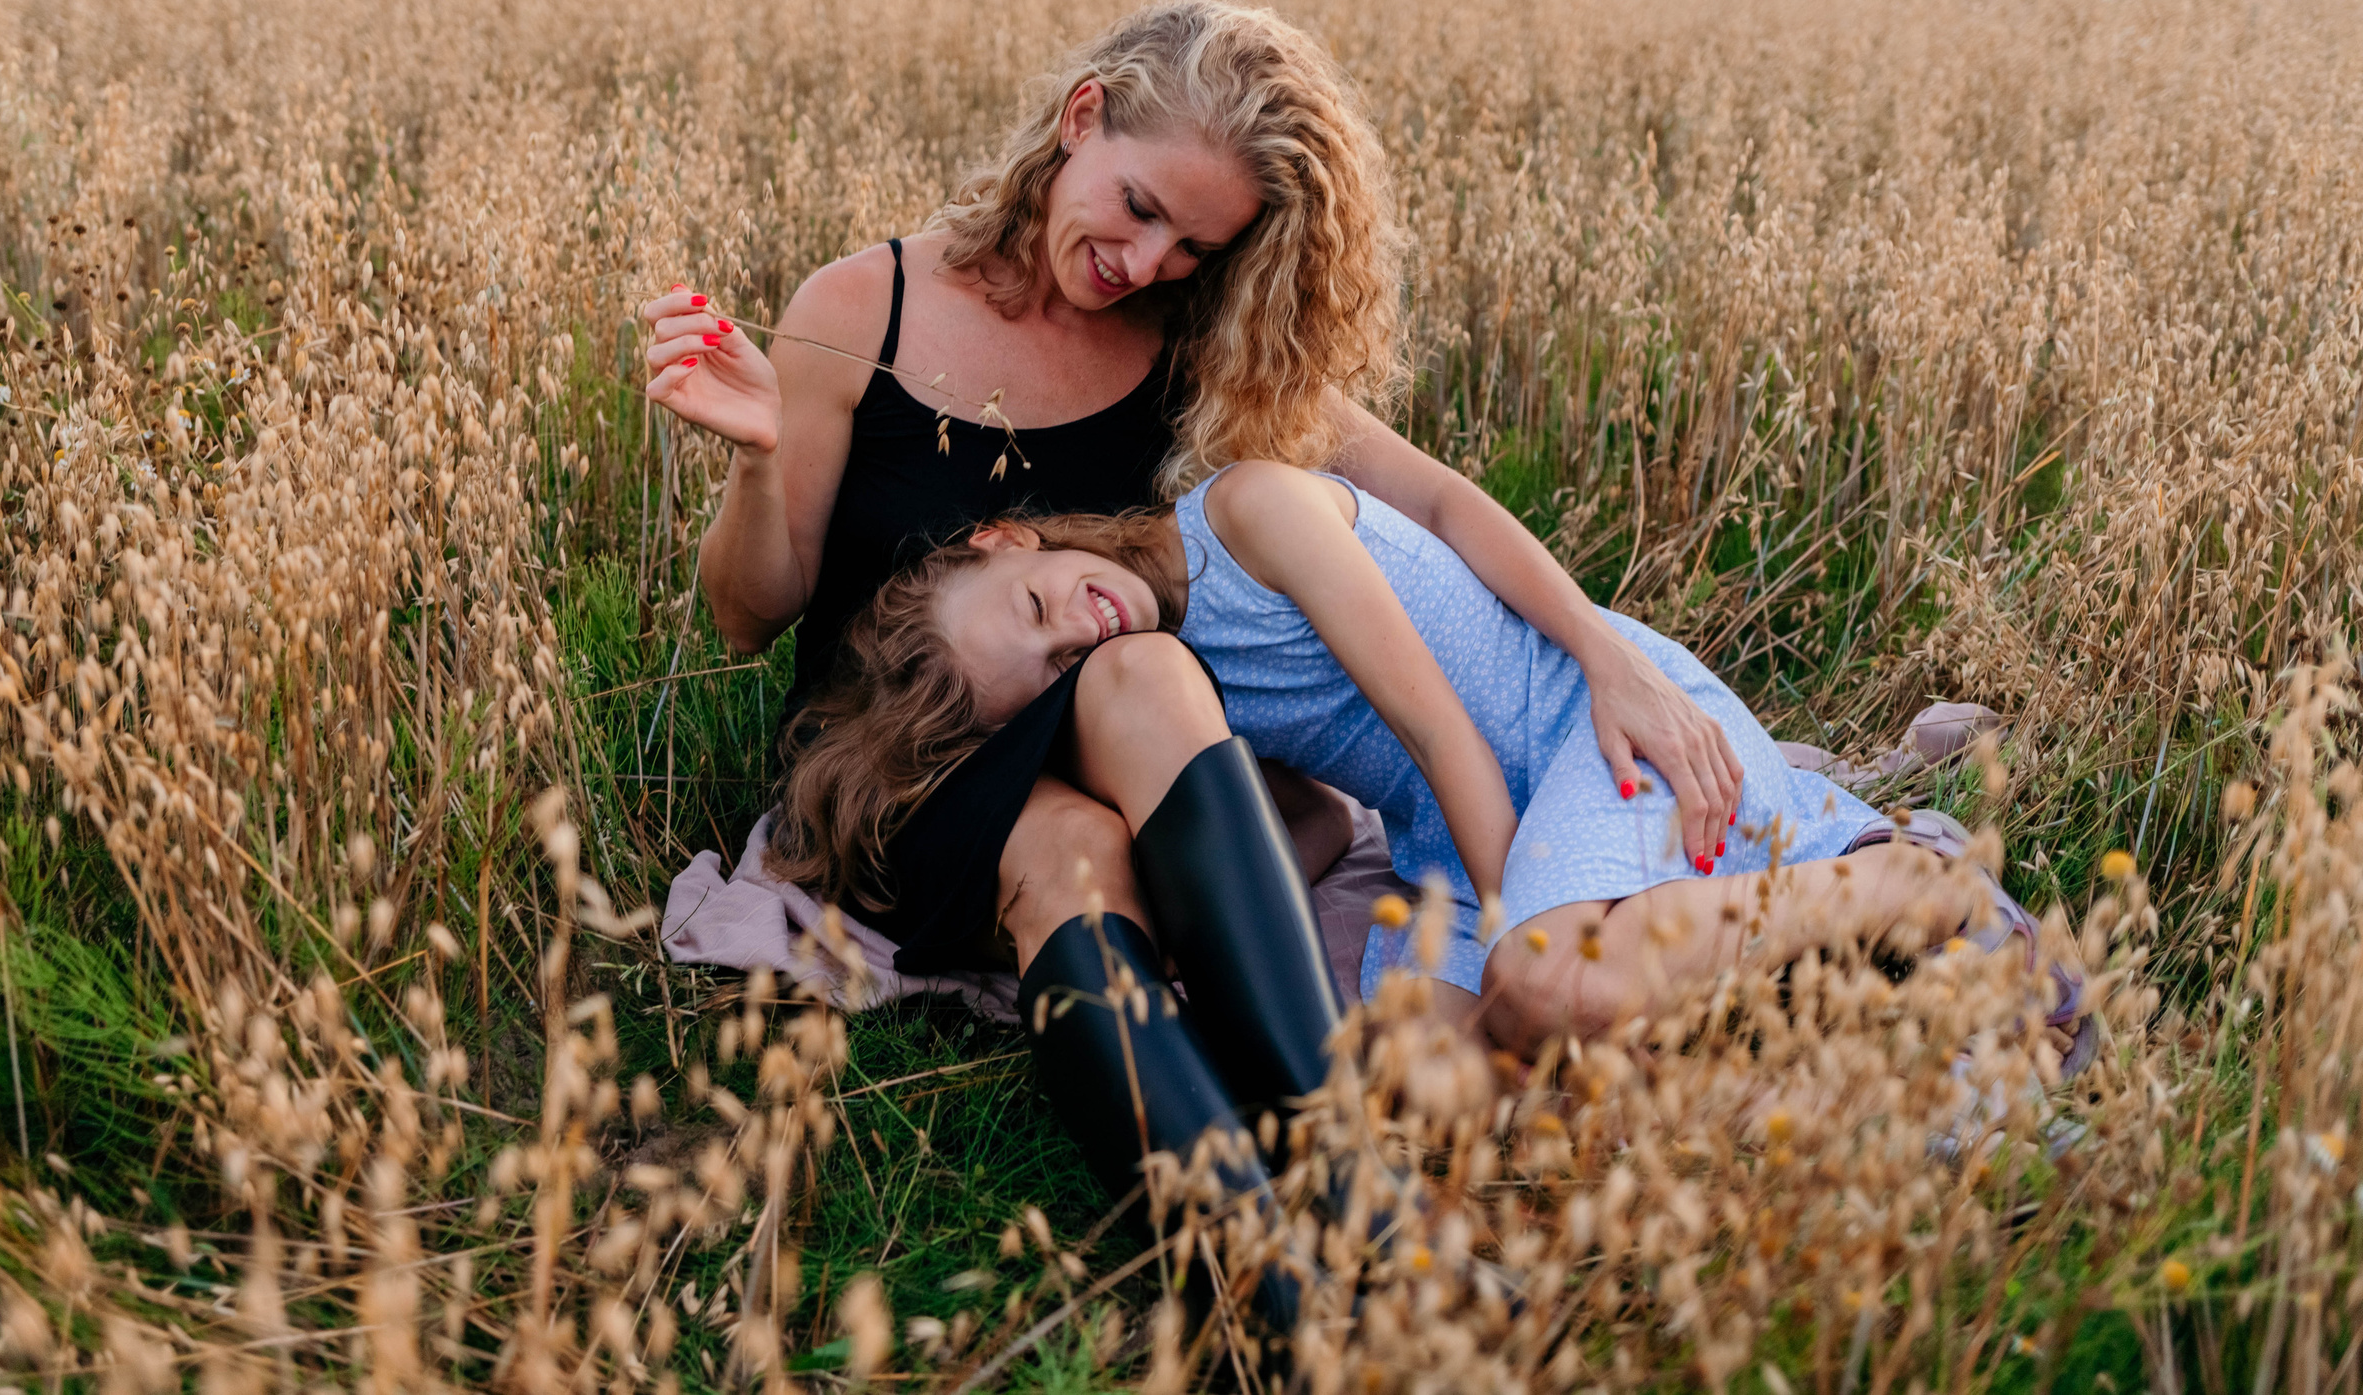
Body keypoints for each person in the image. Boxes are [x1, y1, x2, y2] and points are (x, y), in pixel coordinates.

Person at [637, 0, 1749, 1234]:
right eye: (1141, 208)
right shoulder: (862, 310)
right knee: (1133, 705)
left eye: (1191, 250)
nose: (1148, 262)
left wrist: (1602, 650)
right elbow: (750, 621)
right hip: (887, 759)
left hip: (1091, 754)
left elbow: (1424, 492)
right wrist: (754, 455)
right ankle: (1318, 1230)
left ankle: (1303, 1242)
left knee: (1122, 717)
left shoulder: (1174, 344)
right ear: (1080, 120)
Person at [777, 460, 2101, 1072]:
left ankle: (1912, 882)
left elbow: (1441, 732)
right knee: (1421, 1071)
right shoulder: (1171, 681)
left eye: (1036, 606)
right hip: (1449, 822)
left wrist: (1518, 924)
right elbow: (1295, 834)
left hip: (1581, 729)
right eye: (1054, 671)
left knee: (1546, 984)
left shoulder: (1246, 510)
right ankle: (1771, 1012)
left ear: (1014, 536)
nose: (1082, 629)